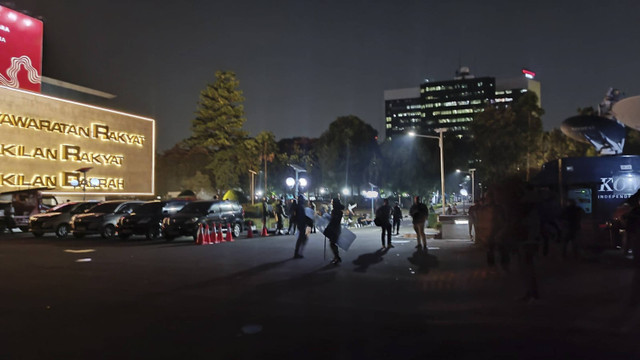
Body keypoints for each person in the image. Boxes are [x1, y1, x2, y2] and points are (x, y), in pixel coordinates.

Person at [323, 198, 344, 264]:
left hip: (334, 228)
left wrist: (328, 217)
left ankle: (337, 257)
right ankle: (336, 257)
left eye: (332, 202)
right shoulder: (340, 211)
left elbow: (333, 220)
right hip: (337, 228)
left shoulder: (334, 211)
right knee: (333, 243)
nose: (331, 203)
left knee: (332, 243)